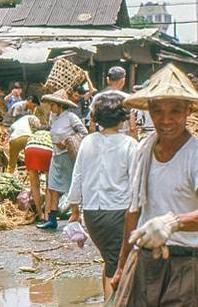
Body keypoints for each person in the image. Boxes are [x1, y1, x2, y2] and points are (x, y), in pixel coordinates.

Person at [111, 63, 198, 306]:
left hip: (183, 266)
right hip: (143, 260)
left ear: (188, 111)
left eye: (175, 111)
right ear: (149, 110)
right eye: (158, 111)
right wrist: (121, 266)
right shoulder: (144, 150)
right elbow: (134, 210)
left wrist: (173, 223)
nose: (166, 119)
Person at [68, 92, 138, 299]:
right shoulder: (129, 145)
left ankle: (107, 300)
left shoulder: (88, 142)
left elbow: (77, 177)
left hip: (92, 213)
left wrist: (74, 211)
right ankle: (112, 302)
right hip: (117, 213)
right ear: (123, 118)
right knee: (117, 266)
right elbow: (136, 185)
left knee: (109, 261)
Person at [36, 89, 88, 230]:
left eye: (53, 105)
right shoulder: (53, 117)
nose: (50, 107)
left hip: (68, 156)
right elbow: (52, 130)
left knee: (73, 186)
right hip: (56, 156)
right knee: (53, 187)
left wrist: (67, 141)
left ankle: (78, 214)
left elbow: (84, 132)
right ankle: (52, 219)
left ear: (60, 106)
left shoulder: (71, 117)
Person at [89, 66, 136, 138]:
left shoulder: (97, 97)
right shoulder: (127, 98)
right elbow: (132, 128)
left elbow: (92, 127)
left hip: (102, 138)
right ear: (123, 80)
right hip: (122, 140)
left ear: (108, 80)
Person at [24, 127, 53, 222]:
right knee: (49, 185)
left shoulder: (34, 135)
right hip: (46, 150)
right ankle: (47, 214)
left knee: (34, 184)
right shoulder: (50, 134)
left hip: (29, 150)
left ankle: (39, 213)